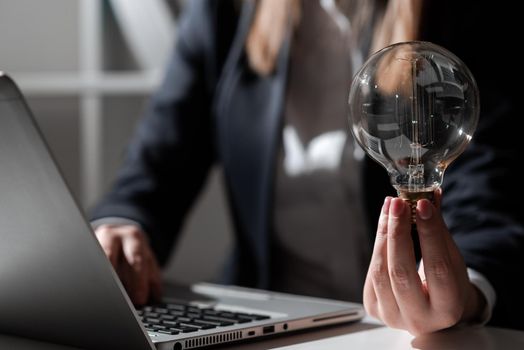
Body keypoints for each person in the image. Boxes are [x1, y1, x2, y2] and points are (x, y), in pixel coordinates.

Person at [90, 0, 524, 334]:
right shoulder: (226, 10)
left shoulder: (461, 14)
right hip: (269, 323)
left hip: (396, 335)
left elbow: (490, 183)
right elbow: (158, 161)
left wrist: (462, 290)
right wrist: (120, 225)